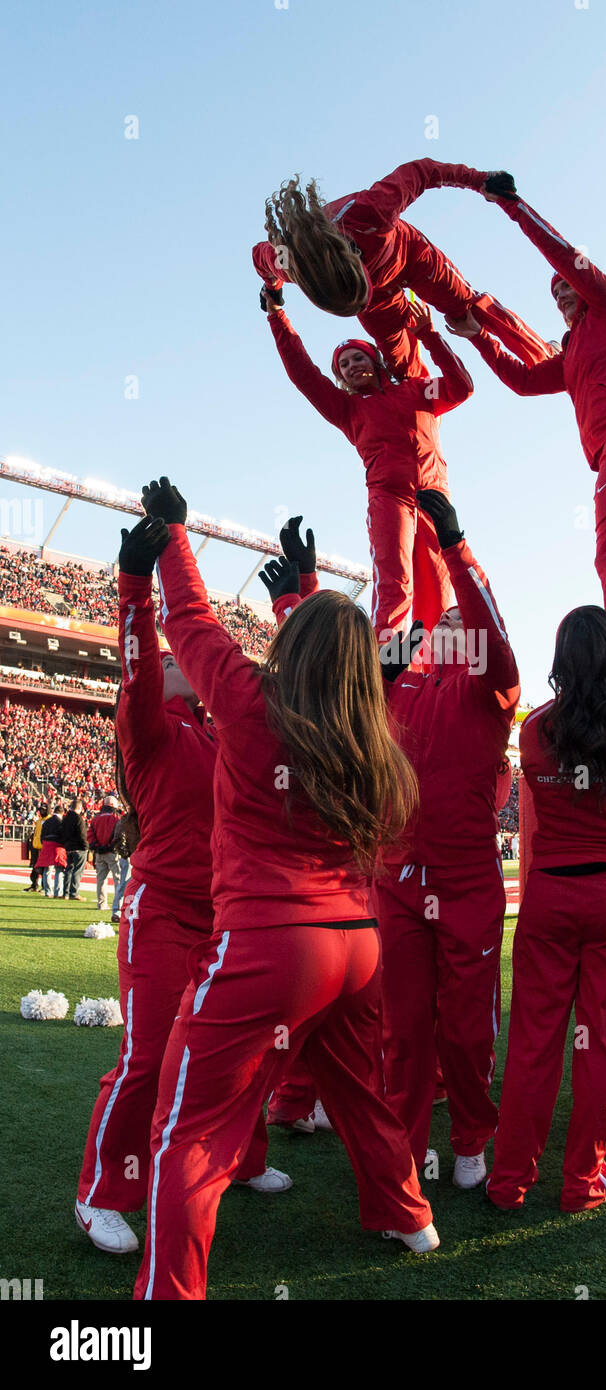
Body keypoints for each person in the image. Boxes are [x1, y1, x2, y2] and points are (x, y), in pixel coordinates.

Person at [131, 480, 436, 1301]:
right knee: (361, 1090)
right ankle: (410, 1215)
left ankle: (167, 1297)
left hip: (270, 944)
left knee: (185, 1130)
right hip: (356, 944)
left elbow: (191, 623)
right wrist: (302, 599)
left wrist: (176, 540)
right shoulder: (372, 733)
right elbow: (351, 666)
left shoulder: (249, 703)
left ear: (291, 650)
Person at [76, 517, 286, 1259]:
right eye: (165, 661)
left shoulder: (219, 727)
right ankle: (99, 1193)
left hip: (225, 915)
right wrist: (136, 588)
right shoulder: (151, 729)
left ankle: (247, 1158)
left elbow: (264, 699)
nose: (174, 662)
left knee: (241, 1049)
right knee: (147, 1055)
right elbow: (139, 663)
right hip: (161, 913)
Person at [446, 170, 606, 714]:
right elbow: (524, 381)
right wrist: (479, 335)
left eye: (564, 286)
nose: (558, 295)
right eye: (553, 294)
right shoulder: (574, 353)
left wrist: (513, 206)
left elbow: (566, 256)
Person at [486, 606, 606, 1211]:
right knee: (603, 1044)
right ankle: (582, 1179)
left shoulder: (536, 730)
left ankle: (510, 1178)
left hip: (550, 898)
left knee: (534, 1044)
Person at [373, 489, 520, 1191]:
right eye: (447, 623)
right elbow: (358, 682)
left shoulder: (493, 693)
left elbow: (489, 636)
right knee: (403, 1029)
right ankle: (402, 1151)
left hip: (465, 885)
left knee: (466, 1030)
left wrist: (459, 552)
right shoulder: (404, 690)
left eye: (464, 622)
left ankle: (470, 1137)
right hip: (398, 883)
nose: (454, 627)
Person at [260, 288, 473, 642]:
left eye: (357, 358)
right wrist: (277, 316)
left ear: (375, 361)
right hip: (389, 499)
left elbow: (462, 387)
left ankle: (437, 672)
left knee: (439, 585)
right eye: (343, 365)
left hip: (435, 497)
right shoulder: (348, 409)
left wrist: (430, 335)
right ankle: (383, 664)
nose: (351, 367)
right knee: (395, 584)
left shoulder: (417, 389)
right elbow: (303, 373)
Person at [253, 157, 551, 379]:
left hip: (411, 256)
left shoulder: (370, 211)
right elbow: (258, 257)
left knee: (467, 309)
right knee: (401, 365)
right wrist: (273, 289)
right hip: (378, 299)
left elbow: (422, 172)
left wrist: (480, 179)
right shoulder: (292, 263)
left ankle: (544, 356)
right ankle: (420, 416)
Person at [88, 795, 122, 911]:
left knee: (101, 880)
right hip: (113, 853)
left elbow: (90, 836)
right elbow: (118, 836)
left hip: (99, 853)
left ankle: (102, 903)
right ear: (113, 805)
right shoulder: (116, 818)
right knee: (118, 880)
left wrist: (97, 847)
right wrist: (110, 846)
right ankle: (118, 904)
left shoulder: (95, 819)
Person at [60, 797, 88, 900]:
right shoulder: (78, 818)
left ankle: (65, 893)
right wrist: (86, 847)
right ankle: (74, 893)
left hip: (69, 847)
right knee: (77, 870)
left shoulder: (66, 818)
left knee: (69, 870)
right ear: (80, 808)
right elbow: (82, 834)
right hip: (79, 847)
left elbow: (62, 832)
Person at [36, 803, 66, 897]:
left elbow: (42, 835)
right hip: (57, 846)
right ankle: (58, 892)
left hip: (46, 845)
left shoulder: (47, 821)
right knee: (59, 869)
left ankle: (48, 892)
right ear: (62, 813)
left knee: (47, 869)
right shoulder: (61, 822)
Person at [23, 803, 49, 891]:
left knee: (44, 868)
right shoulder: (38, 821)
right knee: (35, 867)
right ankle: (34, 884)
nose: (42, 811)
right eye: (41, 810)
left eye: (43, 810)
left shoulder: (49, 820)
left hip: (43, 847)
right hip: (36, 846)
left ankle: (44, 886)